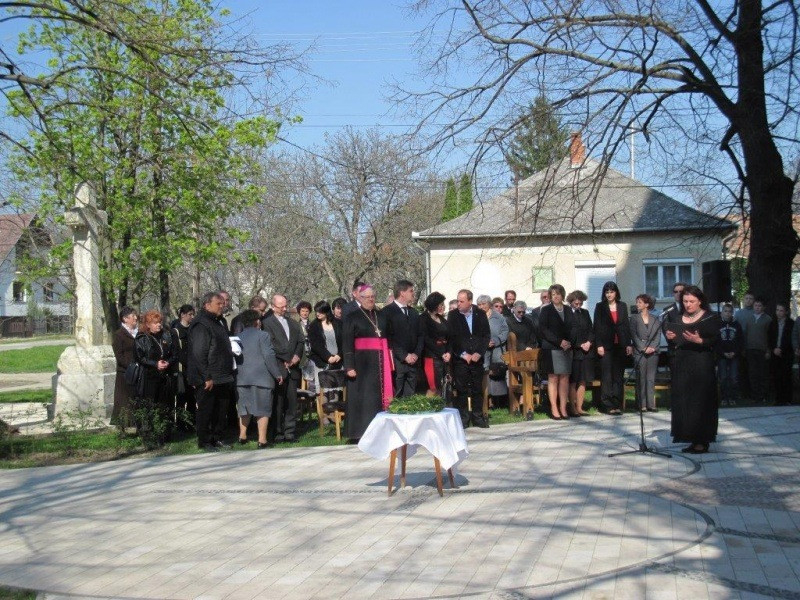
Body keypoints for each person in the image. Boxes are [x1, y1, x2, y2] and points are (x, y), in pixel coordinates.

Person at [664, 285, 720, 454]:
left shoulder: (710, 318)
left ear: (700, 301)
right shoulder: (677, 317)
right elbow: (674, 340)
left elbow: (716, 341)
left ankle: (702, 440)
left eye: (691, 301)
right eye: (685, 301)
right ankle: (690, 438)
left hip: (702, 365)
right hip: (682, 364)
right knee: (685, 402)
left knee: (700, 402)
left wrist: (700, 341)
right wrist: (670, 337)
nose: (687, 304)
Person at [187, 292, 234, 451]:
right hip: (209, 376)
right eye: (218, 304)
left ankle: (217, 437)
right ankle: (205, 441)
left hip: (222, 374)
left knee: (220, 410)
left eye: (223, 303)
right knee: (206, 410)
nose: (222, 306)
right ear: (207, 305)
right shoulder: (201, 324)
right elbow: (199, 353)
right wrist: (206, 376)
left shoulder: (218, 321)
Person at [343, 284, 390, 441]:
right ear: (360, 298)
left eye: (372, 297)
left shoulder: (381, 315)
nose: (370, 299)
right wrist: (349, 366)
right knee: (363, 399)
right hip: (361, 364)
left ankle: (380, 431)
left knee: (377, 398)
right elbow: (347, 343)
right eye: (367, 297)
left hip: (380, 363)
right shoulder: (352, 317)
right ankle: (360, 432)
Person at [235, 309, 283, 448]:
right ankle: (262, 440)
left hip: (242, 378)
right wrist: (277, 373)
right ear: (257, 321)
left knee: (244, 408)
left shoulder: (237, 337)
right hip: (262, 378)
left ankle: (242, 436)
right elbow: (268, 355)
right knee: (263, 408)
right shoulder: (263, 335)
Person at [262, 294, 305, 443]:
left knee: (291, 402)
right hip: (278, 367)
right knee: (278, 403)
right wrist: (286, 358)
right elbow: (271, 345)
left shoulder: (293, 323)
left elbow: (300, 341)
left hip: (293, 368)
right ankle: (278, 432)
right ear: (273, 307)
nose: (285, 309)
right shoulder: (267, 323)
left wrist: (296, 356)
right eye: (281, 307)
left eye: (286, 306)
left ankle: (290, 432)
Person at [448, 289, 490, 428]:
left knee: (477, 389)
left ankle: (478, 417)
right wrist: (463, 354)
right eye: (458, 301)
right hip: (461, 359)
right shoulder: (453, 315)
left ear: (470, 301)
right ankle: (464, 419)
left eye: (462, 301)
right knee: (462, 390)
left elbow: (485, 336)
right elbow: (452, 338)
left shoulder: (480, 314)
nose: (459, 304)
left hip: (477, 358)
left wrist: (479, 353)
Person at [134, 310, 177, 444]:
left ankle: (165, 434)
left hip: (165, 377)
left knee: (165, 405)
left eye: (160, 322)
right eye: (155, 323)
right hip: (149, 377)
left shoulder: (166, 335)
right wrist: (155, 364)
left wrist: (168, 362)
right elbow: (140, 357)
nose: (159, 325)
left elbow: (174, 354)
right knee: (150, 406)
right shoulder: (142, 338)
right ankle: (150, 435)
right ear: (148, 324)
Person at [593, 281, 632, 415]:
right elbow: (597, 327)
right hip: (606, 346)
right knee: (607, 376)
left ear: (616, 293)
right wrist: (599, 345)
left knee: (618, 376)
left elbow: (625, 325)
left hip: (620, 345)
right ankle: (607, 405)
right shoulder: (600, 306)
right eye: (607, 292)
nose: (609, 294)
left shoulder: (622, 306)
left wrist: (628, 344)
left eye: (611, 292)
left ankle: (617, 404)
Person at [380, 280, 423, 398]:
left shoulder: (413, 312)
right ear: (402, 293)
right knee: (397, 394)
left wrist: (416, 354)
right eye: (411, 291)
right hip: (397, 361)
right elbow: (388, 338)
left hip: (413, 361)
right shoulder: (386, 312)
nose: (413, 293)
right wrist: (404, 355)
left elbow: (420, 335)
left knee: (410, 395)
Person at [538, 284, 574, 419]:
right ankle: (554, 408)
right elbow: (543, 329)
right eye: (553, 294)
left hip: (566, 348)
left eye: (558, 294)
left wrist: (569, 342)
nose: (556, 296)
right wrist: (559, 342)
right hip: (552, 347)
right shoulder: (546, 310)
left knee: (564, 378)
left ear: (562, 295)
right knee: (553, 378)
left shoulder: (568, 310)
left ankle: (563, 408)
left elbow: (573, 327)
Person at [630, 293, 661, 412]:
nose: (637, 304)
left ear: (647, 304)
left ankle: (651, 404)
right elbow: (633, 334)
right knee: (641, 377)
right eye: (637, 302)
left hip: (653, 351)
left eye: (640, 302)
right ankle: (641, 404)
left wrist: (653, 347)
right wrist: (643, 347)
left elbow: (658, 334)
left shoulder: (655, 319)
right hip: (640, 351)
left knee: (650, 378)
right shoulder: (634, 318)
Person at [477, 295, 509, 409]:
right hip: (483, 349)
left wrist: (495, 341)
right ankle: (487, 400)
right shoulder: (476, 316)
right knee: (485, 371)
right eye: (479, 304)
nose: (481, 307)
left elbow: (505, 331)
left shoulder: (498, 317)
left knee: (497, 372)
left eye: (483, 304)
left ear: (489, 304)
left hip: (497, 348)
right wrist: (484, 342)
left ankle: (499, 401)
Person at [111, 306, 139, 429]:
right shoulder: (119, 335)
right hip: (125, 373)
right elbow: (119, 355)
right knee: (124, 401)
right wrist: (131, 366)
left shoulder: (139, 333)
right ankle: (123, 426)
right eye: (133, 316)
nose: (136, 318)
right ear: (125, 319)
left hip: (138, 371)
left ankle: (136, 424)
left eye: (135, 315)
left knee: (136, 399)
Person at [566, 291, 593, 416]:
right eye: (576, 302)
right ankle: (572, 408)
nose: (578, 305)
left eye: (580, 302)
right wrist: (578, 345)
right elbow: (567, 333)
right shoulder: (567, 313)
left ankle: (580, 407)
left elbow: (590, 330)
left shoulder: (585, 313)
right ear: (571, 301)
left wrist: (589, 342)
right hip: (573, 351)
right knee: (573, 381)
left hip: (586, 351)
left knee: (583, 380)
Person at [419, 292, 451, 396]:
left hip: (444, 357)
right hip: (431, 357)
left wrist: (448, 352)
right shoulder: (423, 319)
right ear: (434, 304)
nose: (443, 306)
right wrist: (441, 353)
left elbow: (449, 337)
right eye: (441, 304)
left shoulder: (441, 319)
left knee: (443, 386)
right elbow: (426, 339)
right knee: (433, 387)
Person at [742, 298, 772, 404]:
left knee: (762, 374)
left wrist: (768, 350)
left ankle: (763, 395)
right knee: (752, 373)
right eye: (756, 305)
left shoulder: (768, 319)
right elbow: (745, 334)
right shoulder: (749, 318)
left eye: (759, 306)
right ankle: (754, 396)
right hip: (750, 349)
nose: (757, 308)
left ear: (763, 307)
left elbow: (770, 336)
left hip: (762, 350)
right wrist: (744, 348)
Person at [170, 304, 195, 429]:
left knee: (192, 398)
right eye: (190, 314)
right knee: (181, 397)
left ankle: (191, 423)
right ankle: (180, 424)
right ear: (182, 315)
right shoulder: (175, 331)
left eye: (193, 314)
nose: (192, 317)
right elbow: (177, 352)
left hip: (193, 368)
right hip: (181, 370)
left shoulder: (193, 330)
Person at [715, 303, 743, 406]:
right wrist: (723, 353)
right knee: (723, 377)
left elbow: (740, 341)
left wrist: (735, 352)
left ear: (732, 313)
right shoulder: (717, 325)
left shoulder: (737, 325)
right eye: (725, 311)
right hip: (722, 355)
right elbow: (716, 342)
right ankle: (724, 398)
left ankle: (732, 397)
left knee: (734, 377)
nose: (727, 313)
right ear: (722, 312)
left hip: (734, 355)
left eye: (730, 311)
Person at [308, 300, 343, 375]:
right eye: (316, 311)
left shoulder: (339, 323)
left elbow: (345, 341)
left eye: (320, 311)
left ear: (326, 311)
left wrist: (339, 355)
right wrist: (328, 357)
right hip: (322, 363)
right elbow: (315, 345)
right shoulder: (313, 326)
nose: (318, 314)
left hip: (339, 361)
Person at [769, 302, 794, 405]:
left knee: (786, 376)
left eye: (781, 310)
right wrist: (774, 349)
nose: (778, 313)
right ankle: (778, 399)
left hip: (786, 354)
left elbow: (791, 339)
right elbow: (770, 338)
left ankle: (787, 399)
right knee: (776, 376)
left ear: (786, 312)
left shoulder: (791, 324)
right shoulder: (773, 323)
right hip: (775, 353)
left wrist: (781, 349)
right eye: (777, 310)